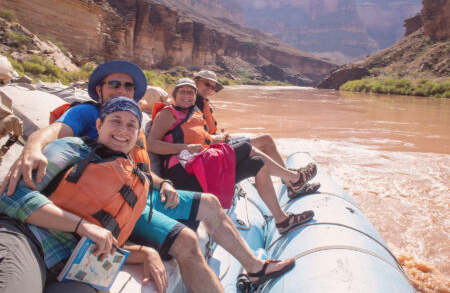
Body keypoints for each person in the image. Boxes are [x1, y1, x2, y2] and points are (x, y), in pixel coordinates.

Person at [1, 62, 296, 291]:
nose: (121, 89)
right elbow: (51, 134)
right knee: (187, 240)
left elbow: (138, 172)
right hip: (105, 201)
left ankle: (254, 266)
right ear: (99, 91)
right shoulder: (83, 118)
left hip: (139, 191)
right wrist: (32, 149)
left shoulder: (133, 127)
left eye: (128, 85)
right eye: (113, 83)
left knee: (210, 204)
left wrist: (164, 182)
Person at [0, 97, 161, 292]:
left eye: (131, 125)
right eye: (115, 121)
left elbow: (108, 241)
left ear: (137, 134)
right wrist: (81, 225)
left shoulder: (136, 182)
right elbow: (10, 197)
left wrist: (146, 253)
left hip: (70, 267)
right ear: (99, 125)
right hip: (27, 239)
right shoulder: (71, 148)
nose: (123, 129)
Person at [148, 78, 317, 237]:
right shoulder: (167, 114)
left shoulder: (194, 113)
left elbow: (203, 138)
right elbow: (152, 144)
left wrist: (218, 139)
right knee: (245, 147)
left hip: (203, 166)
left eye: (190, 92)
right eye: (182, 92)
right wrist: (184, 147)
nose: (187, 96)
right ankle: (295, 179)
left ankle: (282, 220)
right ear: (174, 95)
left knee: (257, 164)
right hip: (183, 174)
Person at [193, 70, 320, 197]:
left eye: (212, 86)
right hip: (212, 147)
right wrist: (220, 138)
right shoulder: (194, 101)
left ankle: (291, 183)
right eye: (206, 84)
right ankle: (293, 182)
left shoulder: (199, 100)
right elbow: (199, 136)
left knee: (266, 139)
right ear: (196, 82)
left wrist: (220, 136)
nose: (210, 89)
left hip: (215, 142)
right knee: (266, 141)